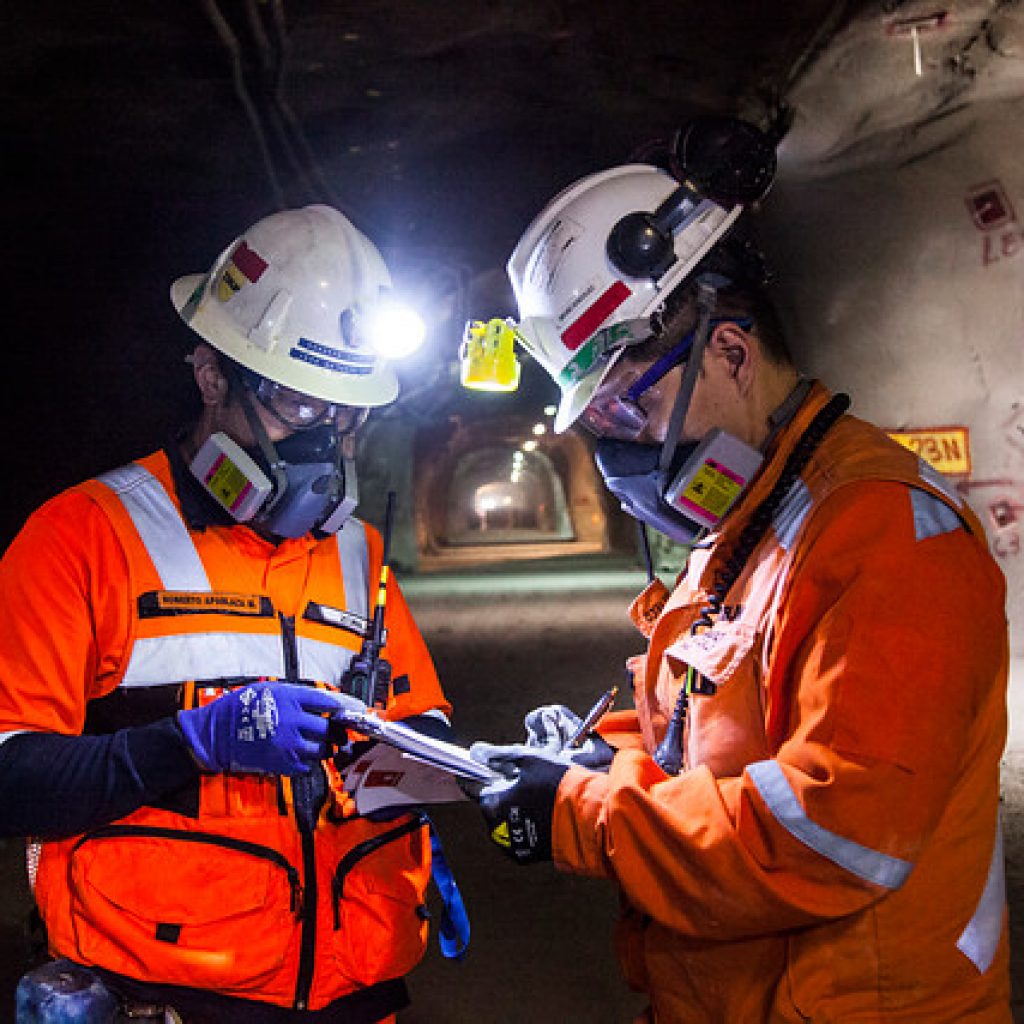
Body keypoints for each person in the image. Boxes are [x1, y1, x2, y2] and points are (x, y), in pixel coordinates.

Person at [468, 119, 1011, 1022]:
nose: (615, 451)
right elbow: (709, 737)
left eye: (623, 412)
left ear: (727, 351)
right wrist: (602, 757)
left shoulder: (889, 536)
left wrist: (587, 813)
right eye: (596, 426)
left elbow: (832, 834)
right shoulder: (749, 520)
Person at [0, 204, 454, 1023]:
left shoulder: (357, 551)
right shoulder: (82, 535)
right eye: (299, 406)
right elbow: (10, 780)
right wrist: (192, 742)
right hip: (161, 998)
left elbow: (421, 727)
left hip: (357, 995)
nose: (327, 441)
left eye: (348, 414)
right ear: (213, 377)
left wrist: (477, 776)